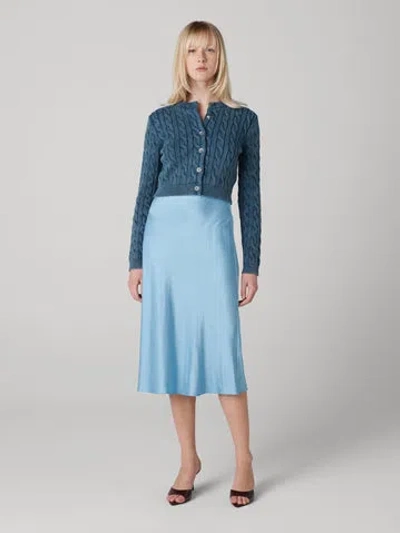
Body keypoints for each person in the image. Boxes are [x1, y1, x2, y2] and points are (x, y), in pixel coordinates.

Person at [127, 20, 261, 508]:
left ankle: (243, 459)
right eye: (192, 51)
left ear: (220, 57)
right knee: (175, 352)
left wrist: (252, 263)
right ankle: (189, 460)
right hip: (165, 241)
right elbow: (144, 191)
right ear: (181, 59)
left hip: (212, 238)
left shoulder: (244, 121)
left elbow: (250, 196)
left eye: (209, 50)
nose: (201, 59)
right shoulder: (161, 120)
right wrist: (136, 258)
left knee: (224, 349)